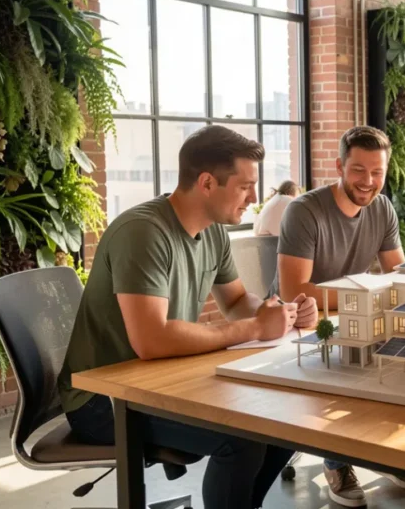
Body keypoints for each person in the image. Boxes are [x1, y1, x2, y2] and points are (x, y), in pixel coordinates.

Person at [58, 125, 315, 509]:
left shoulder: (211, 232)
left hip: (158, 382)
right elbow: (152, 341)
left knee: (283, 420)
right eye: (245, 186)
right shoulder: (143, 232)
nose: (255, 198)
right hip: (105, 399)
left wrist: (278, 312)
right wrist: (253, 327)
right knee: (243, 437)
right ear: (207, 182)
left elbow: (238, 300)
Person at [270, 125, 405, 507]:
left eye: (378, 172)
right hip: (293, 323)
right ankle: (337, 462)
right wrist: (365, 290)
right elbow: (295, 291)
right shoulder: (304, 211)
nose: (369, 181)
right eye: (358, 170)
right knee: (342, 366)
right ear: (339, 165)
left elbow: (397, 273)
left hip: (350, 312)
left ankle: (383, 453)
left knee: (397, 354)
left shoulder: (382, 207)